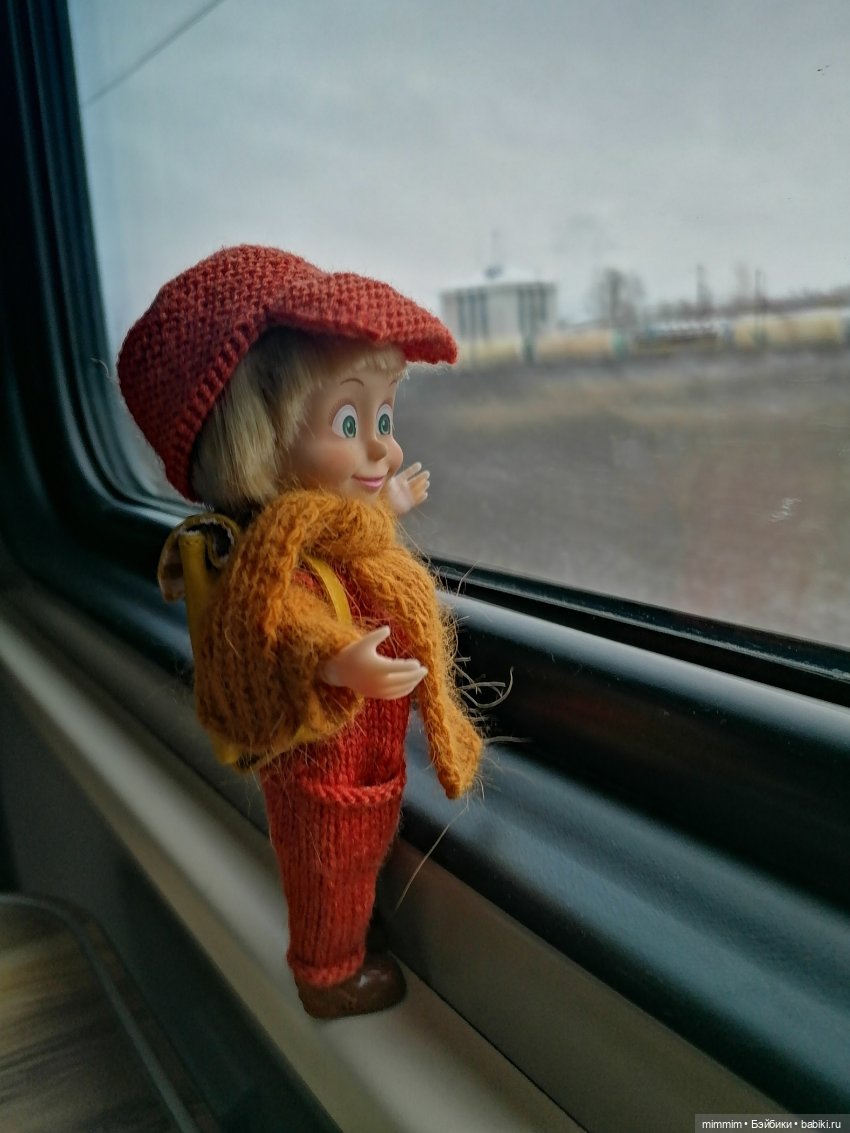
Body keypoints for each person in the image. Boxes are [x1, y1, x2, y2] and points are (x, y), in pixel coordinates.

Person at [117, 245, 484, 1018]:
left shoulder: (329, 528)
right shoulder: (273, 561)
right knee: (326, 865)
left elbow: (352, 536)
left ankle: (347, 935)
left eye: (384, 417)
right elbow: (281, 625)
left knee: (356, 856)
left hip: (360, 752)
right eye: (350, 421)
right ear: (253, 438)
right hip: (322, 759)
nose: (384, 446)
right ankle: (327, 975)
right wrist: (338, 657)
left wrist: (389, 503)